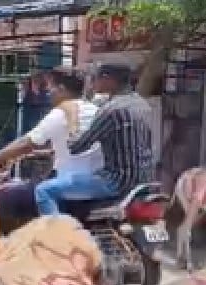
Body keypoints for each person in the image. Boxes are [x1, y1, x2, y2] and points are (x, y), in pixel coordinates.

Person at [0, 69, 104, 216]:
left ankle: (52, 232)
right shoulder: (95, 110)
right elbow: (80, 144)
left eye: (50, 87)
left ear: (61, 89)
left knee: (5, 196)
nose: (48, 92)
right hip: (95, 181)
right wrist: (41, 153)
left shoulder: (60, 113)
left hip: (71, 185)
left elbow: (27, 143)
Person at [51, 64, 155, 214]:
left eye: (95, 79)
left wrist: (72, 121)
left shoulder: (112, 110)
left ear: (107, 80)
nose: (93, 84)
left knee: (45, 190)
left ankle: (58, 234)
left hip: (118, 181)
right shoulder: (142, 104)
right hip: (145, 179)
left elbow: (77, 147)